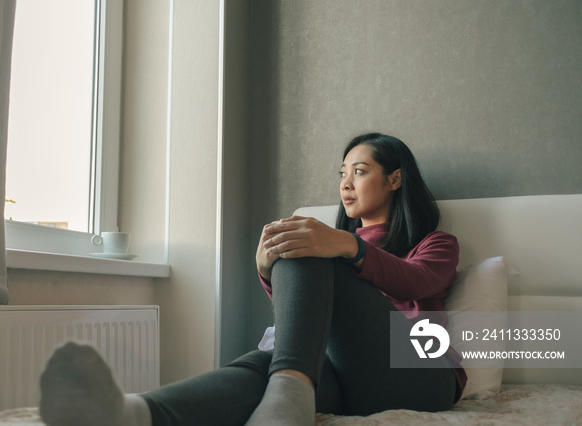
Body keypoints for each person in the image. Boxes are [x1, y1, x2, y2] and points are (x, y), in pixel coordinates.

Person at [38, 132, 467, 426]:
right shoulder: (329, 243)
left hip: (421, 375)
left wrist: (347, 247)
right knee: (271, 368)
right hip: (347, 379)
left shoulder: (436, 242)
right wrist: (268, 268)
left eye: (359, 170)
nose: (345, 184)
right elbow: (306, 312)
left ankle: (290, 390)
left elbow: (415, 281)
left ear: (394, 178)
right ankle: (134, 414)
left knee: (308, 243)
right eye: (341, 173)